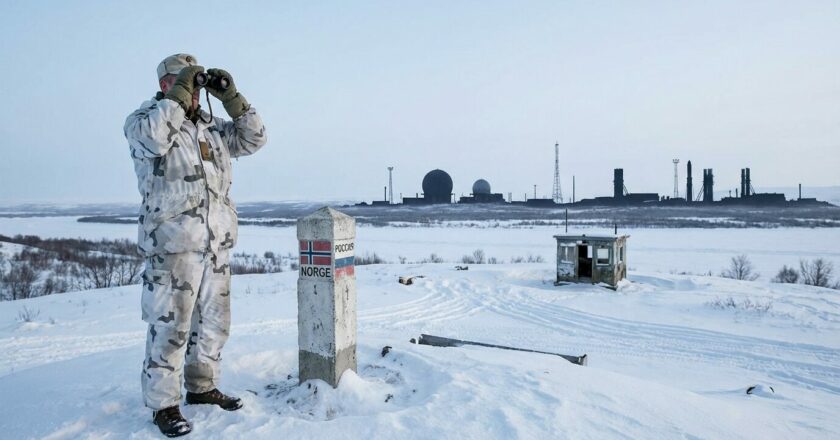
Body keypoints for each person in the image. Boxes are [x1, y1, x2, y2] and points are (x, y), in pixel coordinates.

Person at [124, 53, 267, 437]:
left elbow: (255, 138)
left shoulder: (213, 129)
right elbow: (155, 139)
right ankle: (163, 405)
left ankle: (202, 388)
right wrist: (177, 99)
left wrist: (232, 99)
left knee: (214, 326)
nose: (192, 92)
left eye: (194, 83)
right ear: (166, 85)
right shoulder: (144, 122)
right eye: (183, 82)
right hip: (173, 247)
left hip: (215, 246)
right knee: (170, 329)